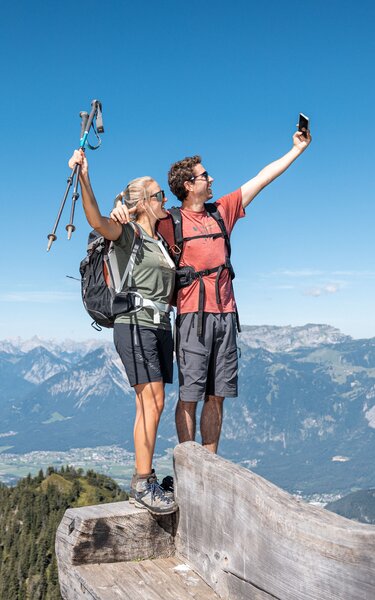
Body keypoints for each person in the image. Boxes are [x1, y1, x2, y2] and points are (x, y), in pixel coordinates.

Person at [111, 128, 312, 454]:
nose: (212, 179)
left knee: (217, 395)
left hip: (226, 316)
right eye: (205, 176)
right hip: (192, 317)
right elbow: (134, 217)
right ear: (189, 185)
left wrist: (296, 150)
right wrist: (121, 211)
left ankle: (210, 464)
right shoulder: (168, 221)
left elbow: (261, 179)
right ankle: (191, 466)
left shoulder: (222, 211)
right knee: (190, 395)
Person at [69, 149, 177, 515]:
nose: (165, 199)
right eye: (159, 195)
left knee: (148, 402)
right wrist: (84, 176)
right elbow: (96, 221)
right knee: (154, 400)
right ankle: (142, 482)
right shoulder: (127, 233)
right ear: (144, 202)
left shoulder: (159, 240)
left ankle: (143, 475)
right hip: (135, 325)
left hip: (160, 326)